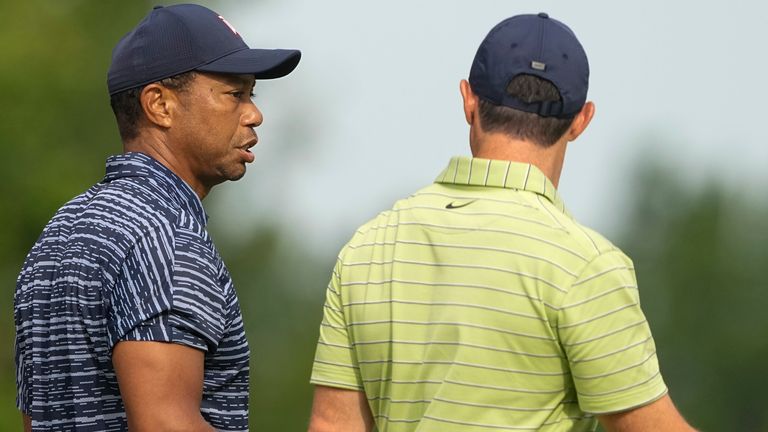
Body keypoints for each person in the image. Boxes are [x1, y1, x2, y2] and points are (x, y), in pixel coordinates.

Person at [308, 12, 696, 432]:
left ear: (468, 100)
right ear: (582, 120)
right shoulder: (586, 266)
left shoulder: (368, 247)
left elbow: (332, 425)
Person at [14, 4, 300, 431]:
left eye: (251, 95)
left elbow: (36, 420)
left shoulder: (58, 234)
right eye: (234, 94)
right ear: (159, 104)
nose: (254, 114)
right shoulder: (167, 239)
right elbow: (165, 424)